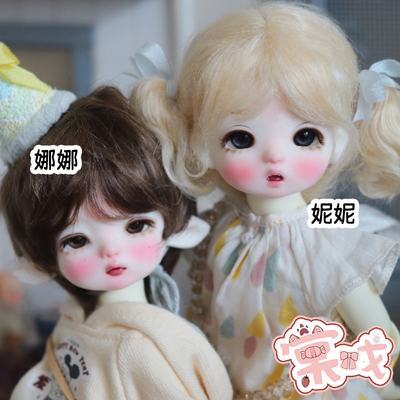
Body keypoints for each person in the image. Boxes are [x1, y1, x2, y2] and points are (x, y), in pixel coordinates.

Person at [131, 3, 400, 399]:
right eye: (240, 139)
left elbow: (379, 334)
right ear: (201, 146)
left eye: (305, 136)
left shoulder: (320, 239)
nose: (275, 157)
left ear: (339, 141)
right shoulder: (222, 228)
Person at [0, 43, 232, 400]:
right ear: (42, 257)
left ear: (176, 225)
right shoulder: (76, 317)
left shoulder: (146, 345)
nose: (112, 252)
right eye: (76, 240)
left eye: (135, 226)